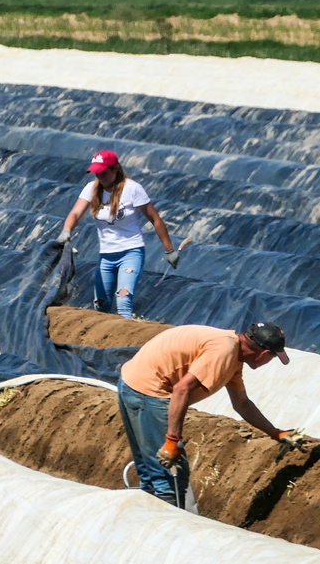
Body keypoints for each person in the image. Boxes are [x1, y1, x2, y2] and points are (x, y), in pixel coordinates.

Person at [116, 321, 305, 507]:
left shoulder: (233, 353)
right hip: (149, 392)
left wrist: (275, 432)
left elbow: (242, 404)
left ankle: (148, 518)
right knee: (170, 477)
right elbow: (182, 389)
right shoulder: (223, 352)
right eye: (272, 358)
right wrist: (172, 440)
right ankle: (166, 528)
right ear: (264, 353)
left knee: (150, 473)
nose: (268, 362)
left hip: (133, 382)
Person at [58, 150, 179, 319]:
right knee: (100, 304)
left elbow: (155, 219)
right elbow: (75, 213)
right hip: (106, 256)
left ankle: (126, 342)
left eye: (103, 172)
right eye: (96, 173)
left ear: (115, 169)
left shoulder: (132, 189)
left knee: (123, 301)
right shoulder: (92, 189)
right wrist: (66, 231)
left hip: (131, 252)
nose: (100, 176)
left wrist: (169, 250)